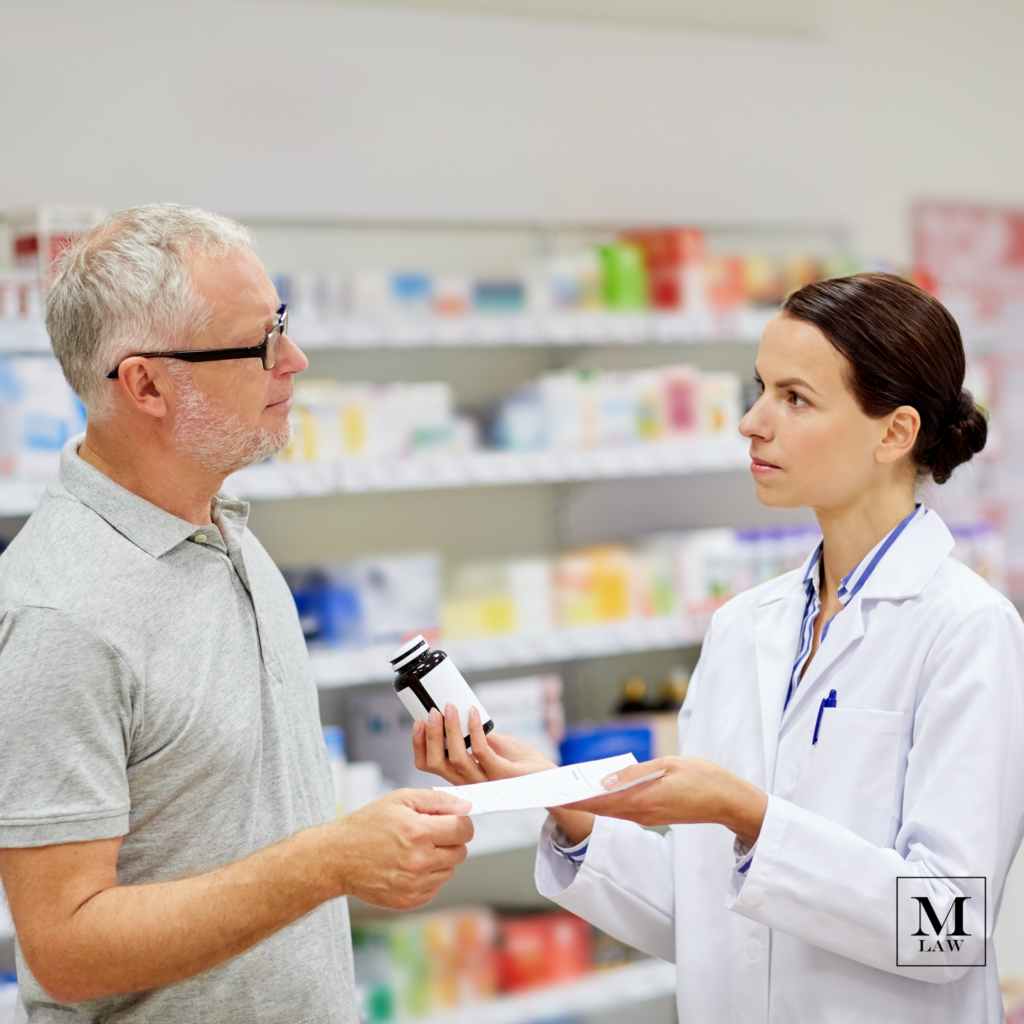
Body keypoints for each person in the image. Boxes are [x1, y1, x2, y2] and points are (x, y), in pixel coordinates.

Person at [416, 272, 1024, 1023]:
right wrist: (566, 801)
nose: (751, 421)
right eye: (760, 387)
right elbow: (709, 920)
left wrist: (747, 815)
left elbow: (947, 931)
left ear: (894, 433)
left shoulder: (967, 630)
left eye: (795, 398)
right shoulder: (745, 628)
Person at [0, 204, 474, 1024]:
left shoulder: (225, 531)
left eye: (281, 324)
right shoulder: (58, 613)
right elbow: (66, 949)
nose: (293, 360)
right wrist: (330, 862)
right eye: (259, 343)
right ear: (146, 383)